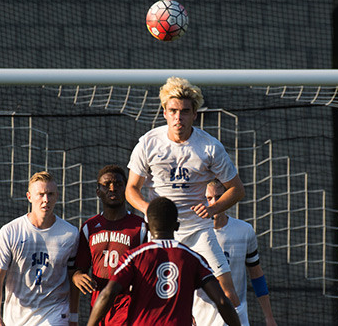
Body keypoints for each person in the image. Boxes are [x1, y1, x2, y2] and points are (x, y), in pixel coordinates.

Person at [126, 76, 249, 324]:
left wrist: (212, 208)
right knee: (155, 296)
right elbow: (131, 189)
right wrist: (150, 210)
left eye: (184, 111)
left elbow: (237, 190)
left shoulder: (210, 147)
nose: (178, 117)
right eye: (173, 111)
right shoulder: (148, 143)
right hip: (161, 234)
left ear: (195, 114)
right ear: (164, 112)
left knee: (228, 295)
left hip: (199, 231)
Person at [87, 197, 241, 326]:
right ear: (177, 226)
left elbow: (108, 293)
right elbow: (222, 301)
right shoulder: (193, 259)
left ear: (148, 226)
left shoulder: (133, 256)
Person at [0, 171, 79, 326]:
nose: (46, 200)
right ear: (29, 197)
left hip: (55, 312)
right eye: (41, 194)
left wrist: (73, 317)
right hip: (17, 316)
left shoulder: (70, 234)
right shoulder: (10, 232)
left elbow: (73, 277)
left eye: (50, 194)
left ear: (57, 196)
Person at [192, 179, 278, 326]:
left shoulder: (244, 231)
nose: (213, 203)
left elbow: (256, 274)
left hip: (237, 318)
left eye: (219, 197)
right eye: (209, 198)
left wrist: (269, 317)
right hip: (202, 320)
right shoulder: (192, 235)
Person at [71, 164, 147, 325]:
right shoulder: (88, 228)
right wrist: (77, 277)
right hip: (99, 308)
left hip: (129, 309)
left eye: (118, 184)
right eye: (106, 185)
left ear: (126, 190)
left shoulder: (141, 227)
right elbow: (80, 269)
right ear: (98, 191)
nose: (112, 188)